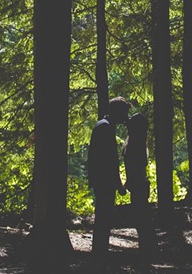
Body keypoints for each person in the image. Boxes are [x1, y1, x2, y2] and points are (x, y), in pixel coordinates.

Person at [87, 96, 131, 261]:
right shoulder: (105, 128)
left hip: (101, 180)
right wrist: (118, 184)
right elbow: (109, 160)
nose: (125, 117)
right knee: (104, 217)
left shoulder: (103, 126)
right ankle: (99, 255)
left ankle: (100, 252)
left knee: (103, 216)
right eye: (124, 113)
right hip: (104, 181)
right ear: (117, 112)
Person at [123, 112, 157, 258]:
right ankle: (148, 248)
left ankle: (147, 250)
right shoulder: (138, 143)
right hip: (139, 184)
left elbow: (134, 166)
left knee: (141, 217)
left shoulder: (134, 144)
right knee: (142, 216)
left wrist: (129, 181)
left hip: (138, 184)